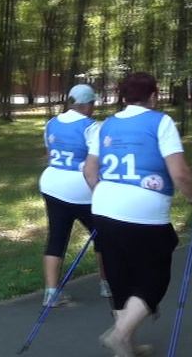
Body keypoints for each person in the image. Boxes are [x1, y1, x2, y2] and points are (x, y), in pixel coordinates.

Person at [83, 72, 192, 356]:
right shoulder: (160, 121)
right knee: (154, 277)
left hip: (103, 207)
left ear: (124, 97)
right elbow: (180, 173)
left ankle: (124, 347)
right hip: (144, 212)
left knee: (119, 276)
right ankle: (119, 335)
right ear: (154, 95)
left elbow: (89, 171)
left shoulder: (104, 126)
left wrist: (108, 196)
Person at [39, 84, 112, 307]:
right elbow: (96, 161)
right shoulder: (93, 127)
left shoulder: (51, 123)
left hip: (51, 184)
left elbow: (50, 154)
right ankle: (106, 284)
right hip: (82, 189)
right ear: (88, 104)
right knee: (103, 236)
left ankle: (51, 293)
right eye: (93, 104)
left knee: (57, 238)